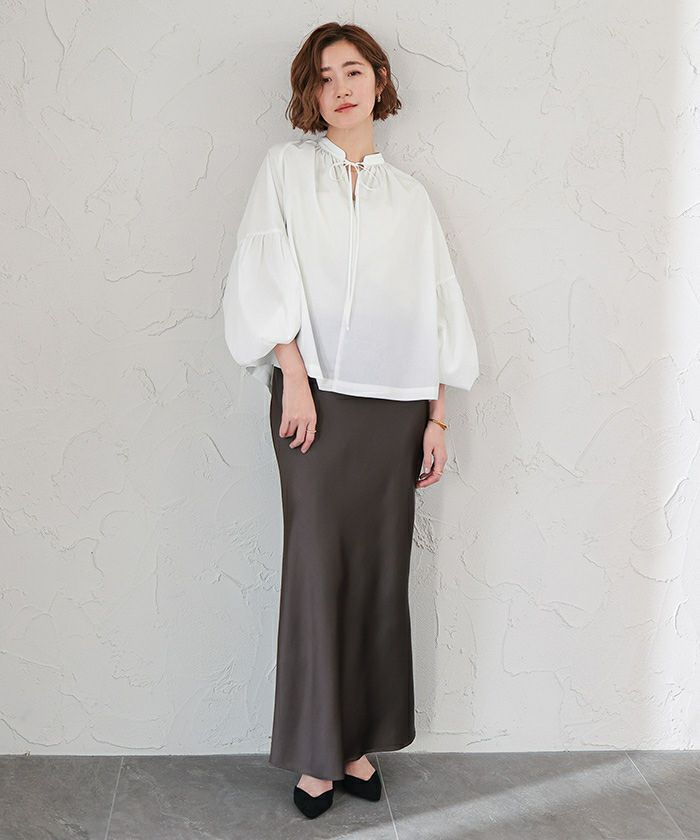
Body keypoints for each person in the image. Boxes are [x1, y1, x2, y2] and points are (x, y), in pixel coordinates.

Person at [222, 22, 479, 820]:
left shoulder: (411, 198)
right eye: (325, 75)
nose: (341, 87)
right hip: (317, 401)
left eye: (354, 71)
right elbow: (264, 272)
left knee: (377, 573)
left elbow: (434, 306)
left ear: (379, 81)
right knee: (316, 569)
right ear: (310, 92)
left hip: (398, 410)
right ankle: (314, 753)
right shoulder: (286, 171)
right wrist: (294, 379)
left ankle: (357, 742)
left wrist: (437, 418)